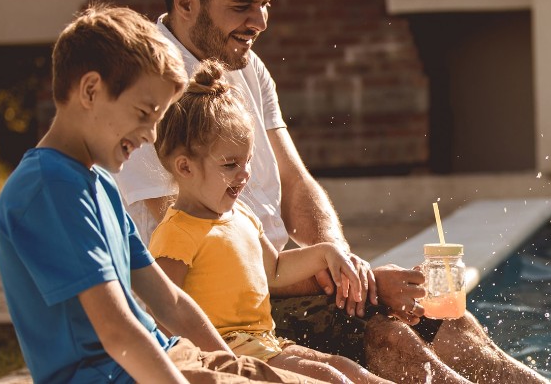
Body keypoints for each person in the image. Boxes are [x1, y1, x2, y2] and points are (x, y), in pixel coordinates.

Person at [114, 0, 548, 382]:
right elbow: (213, 260)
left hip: (282, 277)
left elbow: (296, 183)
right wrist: (366, 285)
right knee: (391, 338)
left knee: (451, 322)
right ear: (186, 2)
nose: (260, 22)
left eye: (265, 5)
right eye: (243, 6)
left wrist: (346, 267)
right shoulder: (149, 92)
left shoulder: (245, 65)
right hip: (231, 312)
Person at [0, 3, 312, 383]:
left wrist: (239, 369)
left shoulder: (98, 183)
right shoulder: (50, 187)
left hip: (170, 355)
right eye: (145, 113)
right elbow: (116, 332)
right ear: (91, 90)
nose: (151, 135)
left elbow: (172, 303)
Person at [148, 60, 382, 384]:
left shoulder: (241, 215)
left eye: (247, 161)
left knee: (346, 369)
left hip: (266, 344)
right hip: (229, 357)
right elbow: (163, 309)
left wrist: (325, 251)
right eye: (230, 164)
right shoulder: (177, 233)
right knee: (332, 378)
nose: (244, 174)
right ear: (185, 168)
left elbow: (274, 271)